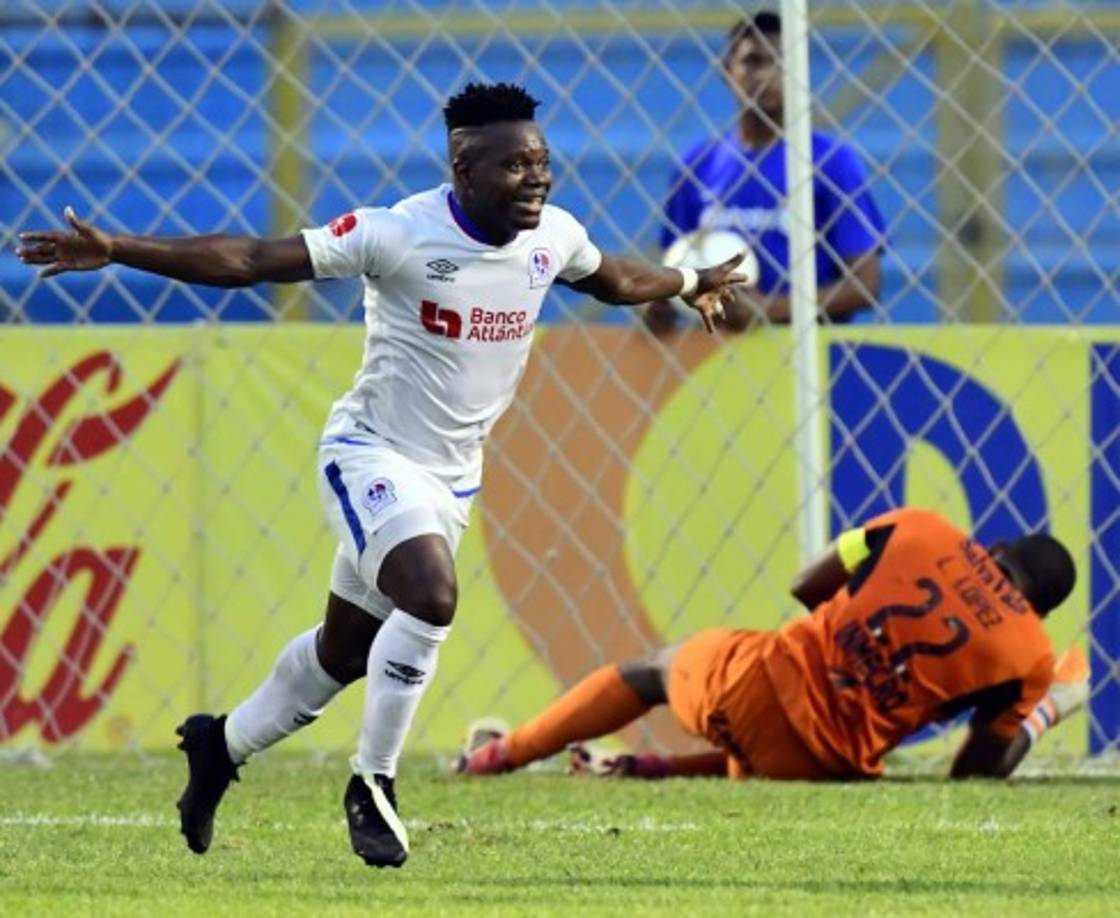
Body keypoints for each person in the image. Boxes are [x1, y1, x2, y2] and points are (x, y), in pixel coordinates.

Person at [16, 82, 748, 868]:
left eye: (542, 162)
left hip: (451, 478)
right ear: (464, 169)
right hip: (370, 454)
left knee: (345, 653)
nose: (536, 178)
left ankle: (219, 746)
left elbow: (614, 279)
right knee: (430, 596)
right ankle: (373, 784)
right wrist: (121, 249)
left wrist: (686, 284)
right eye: (515, 166)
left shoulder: (553, 238)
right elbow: (254, 260)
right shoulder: (397, 235)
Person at [457, 507, 1086, 782]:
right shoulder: (1029, 655)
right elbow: (973, 772)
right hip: (831, 766)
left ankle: (496, 759)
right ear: (1043, 610)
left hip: (759, 686)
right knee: (774, 755)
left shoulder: (921, 528)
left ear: (997, 549)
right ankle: (638, 771)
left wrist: (843, 638)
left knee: (654, 672)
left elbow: (804, 585)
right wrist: (1049, 708)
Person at [647, 10, 885, 335]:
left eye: (782, 61)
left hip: (806, 349)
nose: (768, 74)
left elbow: (865, 285)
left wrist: (768, 310)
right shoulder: (697, 163)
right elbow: (675, 262)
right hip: (714, 355)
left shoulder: (831, 161)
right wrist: (662, 302)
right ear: (727, 70)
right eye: (753, 61)